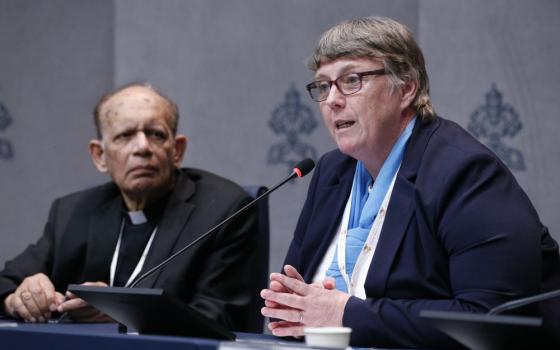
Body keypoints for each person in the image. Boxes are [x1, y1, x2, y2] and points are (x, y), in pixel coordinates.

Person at [260, 17, 560, 348]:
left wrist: (345, 315)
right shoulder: (333, 172)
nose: (332, 99)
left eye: (351, 80)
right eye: (323, 85)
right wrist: (292, 308)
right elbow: (294, 304)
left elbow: (491, 320)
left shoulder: (464, 173)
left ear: (405, 88)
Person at [0, 83, 258, 331]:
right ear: (99, 156)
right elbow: (6, 281)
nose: (143, 147)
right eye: (125, 136)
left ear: (177, 150)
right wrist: (16, 299)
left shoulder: (224, 210)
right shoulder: (72, 211)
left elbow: (220, 316)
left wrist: (121, 314)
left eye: (156, 134)